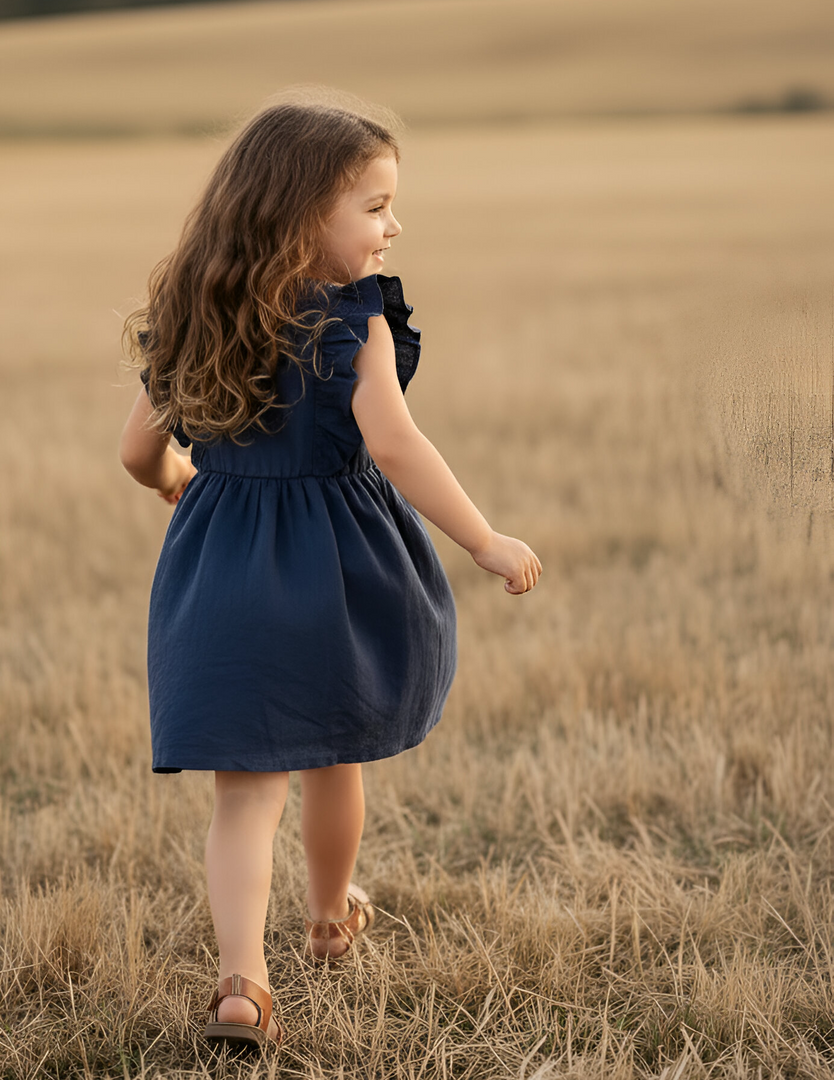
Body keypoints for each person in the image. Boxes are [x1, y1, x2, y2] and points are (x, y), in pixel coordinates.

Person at [119, 92, 542, 1051]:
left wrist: (180, 478)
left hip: (221, 577)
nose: (395, 225)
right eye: (377, 206)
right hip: (331, 576)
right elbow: (394, 445)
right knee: (334, 750)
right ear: (306, 216)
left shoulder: (192, 312)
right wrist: (483, 539)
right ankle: (326, 918)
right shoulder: (355, 323)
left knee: (244, 793)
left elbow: (137, 451)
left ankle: (241, 983)